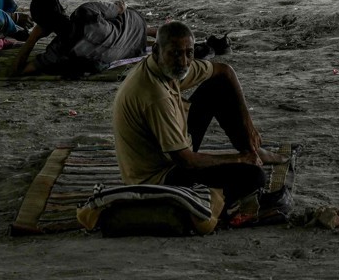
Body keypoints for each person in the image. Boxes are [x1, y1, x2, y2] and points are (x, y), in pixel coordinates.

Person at [112, 21, 287, 205]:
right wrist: (239, 159)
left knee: (218, 85)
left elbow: (225, 71)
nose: (184, 62)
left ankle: (252, 148)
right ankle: (232, 204)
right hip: (158, 179)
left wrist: (248, 125)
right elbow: (185, 160)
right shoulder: (155, 95)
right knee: (254, 177)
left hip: (172, 151)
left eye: (189, 53)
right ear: (156, 51)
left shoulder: (165, 66)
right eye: (175, 53)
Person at [12, 0, 150, 77]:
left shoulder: (57, 51)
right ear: (61, 8)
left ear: (42, 26)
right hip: (136, 28)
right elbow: (120, 8)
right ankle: (153, 31)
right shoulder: (86, 11)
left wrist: (33, 38)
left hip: (132, 50)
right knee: (112, 19)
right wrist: (119, 6)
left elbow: (18, 70)